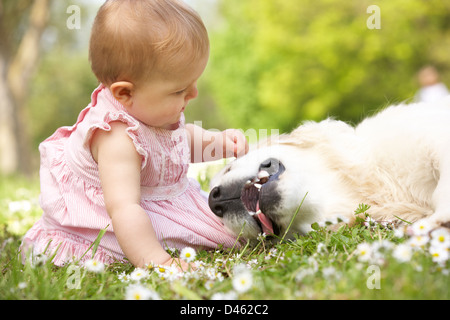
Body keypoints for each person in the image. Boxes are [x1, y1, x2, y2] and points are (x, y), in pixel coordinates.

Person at [21, 0, 248, 270]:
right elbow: (124, 209)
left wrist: (217, 143)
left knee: (233, 229)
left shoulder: (149, 106)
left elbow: (175, 143)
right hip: (114, 222)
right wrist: (158, 261)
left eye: (193, 83)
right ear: (124, 93)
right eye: (179, 90)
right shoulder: (116, 138)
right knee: (220, 236)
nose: (193, 94)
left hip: (152, 202)